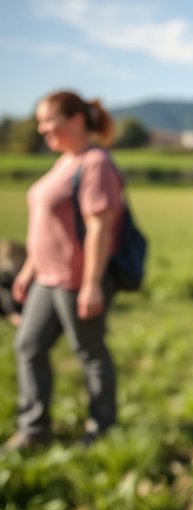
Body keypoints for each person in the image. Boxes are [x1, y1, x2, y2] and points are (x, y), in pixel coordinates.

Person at [3, 90, 122, 451]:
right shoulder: (63, 162)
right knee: (27, 346)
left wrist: (91, 285)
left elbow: (100, 228)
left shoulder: (95, 163)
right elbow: (46, 225)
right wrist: (27, 271)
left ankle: (103, 426)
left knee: (89, 353)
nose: (42, 129)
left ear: (75, 120)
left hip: (74, 281)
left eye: (48, 120)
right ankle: (33, 429)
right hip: (45, 277)